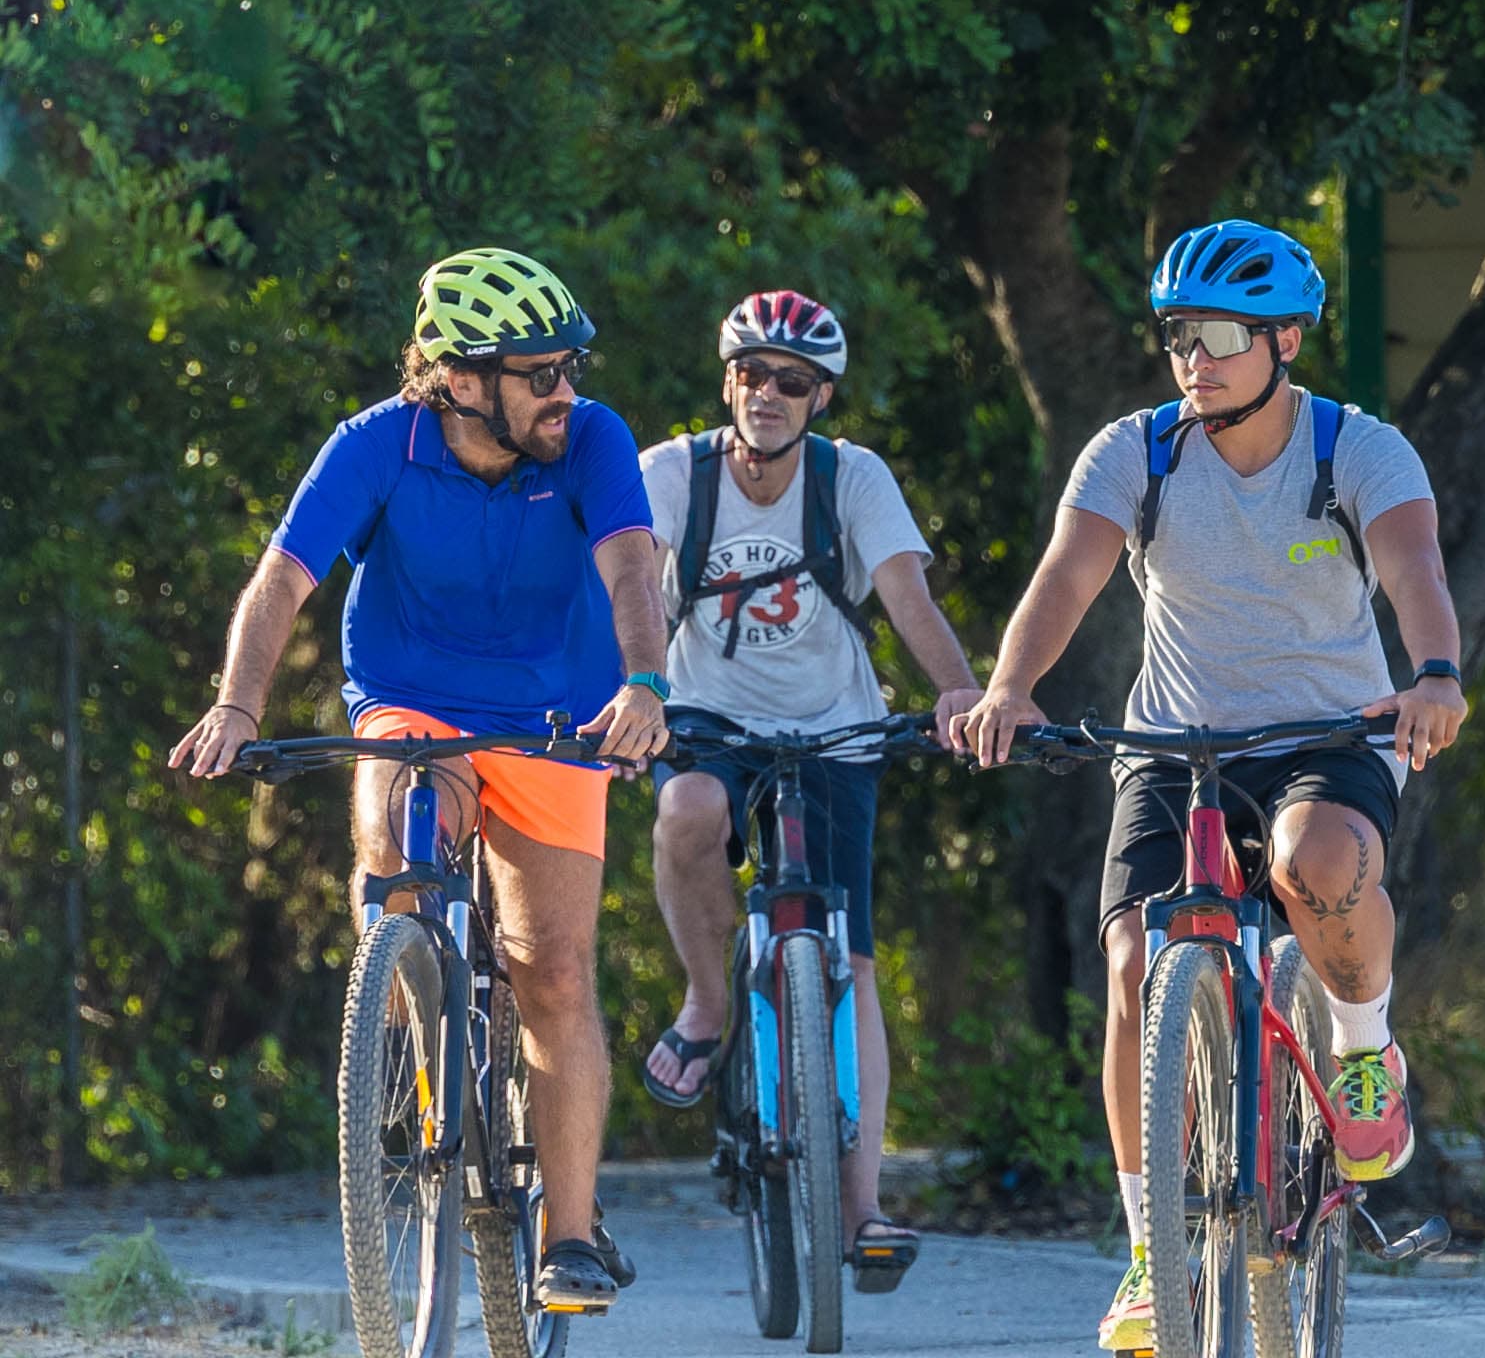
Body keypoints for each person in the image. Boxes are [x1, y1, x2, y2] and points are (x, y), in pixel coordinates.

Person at [954, 221, 1467, 1356]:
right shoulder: (1136, 453)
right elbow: (1069, 575)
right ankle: (1153, 1252)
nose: (1196, 357)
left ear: (1287, 340)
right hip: (1176, 744)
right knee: (1137, 960)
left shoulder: (1357, 450)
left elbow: (1414, 570)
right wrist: (1008, 687)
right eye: (1180, 334)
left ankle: (1363, 1042)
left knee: (1313, 867)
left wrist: (1433, 675)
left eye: (1224, 335)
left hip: (1330, 733)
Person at [168, 248, 671, 1314]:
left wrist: (641, 682)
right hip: (413, 701)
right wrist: (238, 706)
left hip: (554, 717)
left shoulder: (592, 439)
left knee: (555, 970)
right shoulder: (375, 446)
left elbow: (631, 563)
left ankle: (570, 1236)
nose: (564, 393)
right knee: (396, 843)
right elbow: (282, 580)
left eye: (569, 368)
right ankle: (416, 1020)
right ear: (457, 379)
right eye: (540, 374)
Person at [635, 291, 984, 1289]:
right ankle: (707, 1005)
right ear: (727, 381)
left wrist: (960, 692)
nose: (768, 393)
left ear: (820, 396)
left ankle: (860, 1208)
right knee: (687, 813)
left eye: (792, 380)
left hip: (836, 725)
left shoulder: (851, 479)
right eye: (751, 372)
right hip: (704, 715)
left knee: (853, 960)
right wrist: (635, 693)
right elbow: (629, 589)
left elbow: (909, 598)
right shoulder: (675, 474)